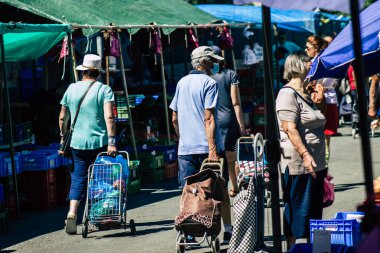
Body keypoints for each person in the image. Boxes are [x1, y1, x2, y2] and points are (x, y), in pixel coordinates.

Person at [169, 46, 232, 244]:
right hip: (206, 148)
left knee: (188, 191)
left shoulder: (182, 82)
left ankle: (187, 232)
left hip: (186, 149)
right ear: (204, 62)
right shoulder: (209, 83)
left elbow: (174, 118)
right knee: (218, 190)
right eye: (212, 61)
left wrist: (183, 138)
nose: (215, 65)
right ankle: (228, 229)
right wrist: (213, 150)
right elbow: (209, 118)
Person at [58, 54, 117, 235]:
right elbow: (109, 117)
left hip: (77, 143)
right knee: (101, 179)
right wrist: (112, 141)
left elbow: (62, 117)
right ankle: (97, 216)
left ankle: (72, 212)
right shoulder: (104, 89)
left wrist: (62, 137)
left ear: (83, 71)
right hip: (100, 143)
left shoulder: (71, 88)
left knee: (79, 177)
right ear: (98, 72)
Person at [276, 53, 327, 250]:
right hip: (298, 162)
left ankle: (316, 248)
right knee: (298, 209)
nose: (312, 64)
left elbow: (320, 121)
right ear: (297, 66)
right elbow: (290, 128)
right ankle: (293, 248)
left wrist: (320, 100)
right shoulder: (287, 94)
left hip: (317, 161)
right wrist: (305, 154)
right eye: (309, 61)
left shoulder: (307, 92)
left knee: (315, 210)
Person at [211, 45, 245, 200]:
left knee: (215, 157)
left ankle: (218, 189)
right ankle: (235, 187)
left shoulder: (207, 77)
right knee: (232, 158)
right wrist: (242, 127)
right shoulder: (230, 74)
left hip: (212, 121)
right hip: (228, 120)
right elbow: (236, 103)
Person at [305, 35, 338, 167]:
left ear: (316, 48)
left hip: (324, 101)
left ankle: (323, 170)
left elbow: (329, 82)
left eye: (308, 48)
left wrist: (314, 86)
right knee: (319, 139)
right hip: (320, 100)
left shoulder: (320, 63)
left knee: (323, 138)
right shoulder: (312, 63)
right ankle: (322, 170)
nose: (306, 50)